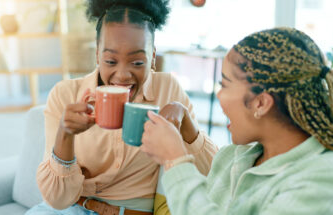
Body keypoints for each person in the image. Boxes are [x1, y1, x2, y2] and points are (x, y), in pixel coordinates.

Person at [26, 0, 217, 214]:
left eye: (137, 62)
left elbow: (215, 178)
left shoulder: (168, 90)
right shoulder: (65, 94)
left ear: (152, 56)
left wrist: (187, 125)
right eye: (110, 61)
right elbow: (57, 201)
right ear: (97, 54)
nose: (123, 75)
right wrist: (65, 134)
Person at [140, 27, 333, 215]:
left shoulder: (320, 180)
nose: (219, 95)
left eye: (225, 84)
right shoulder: (231, 158)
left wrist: (175, 160)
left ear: (261, 103)